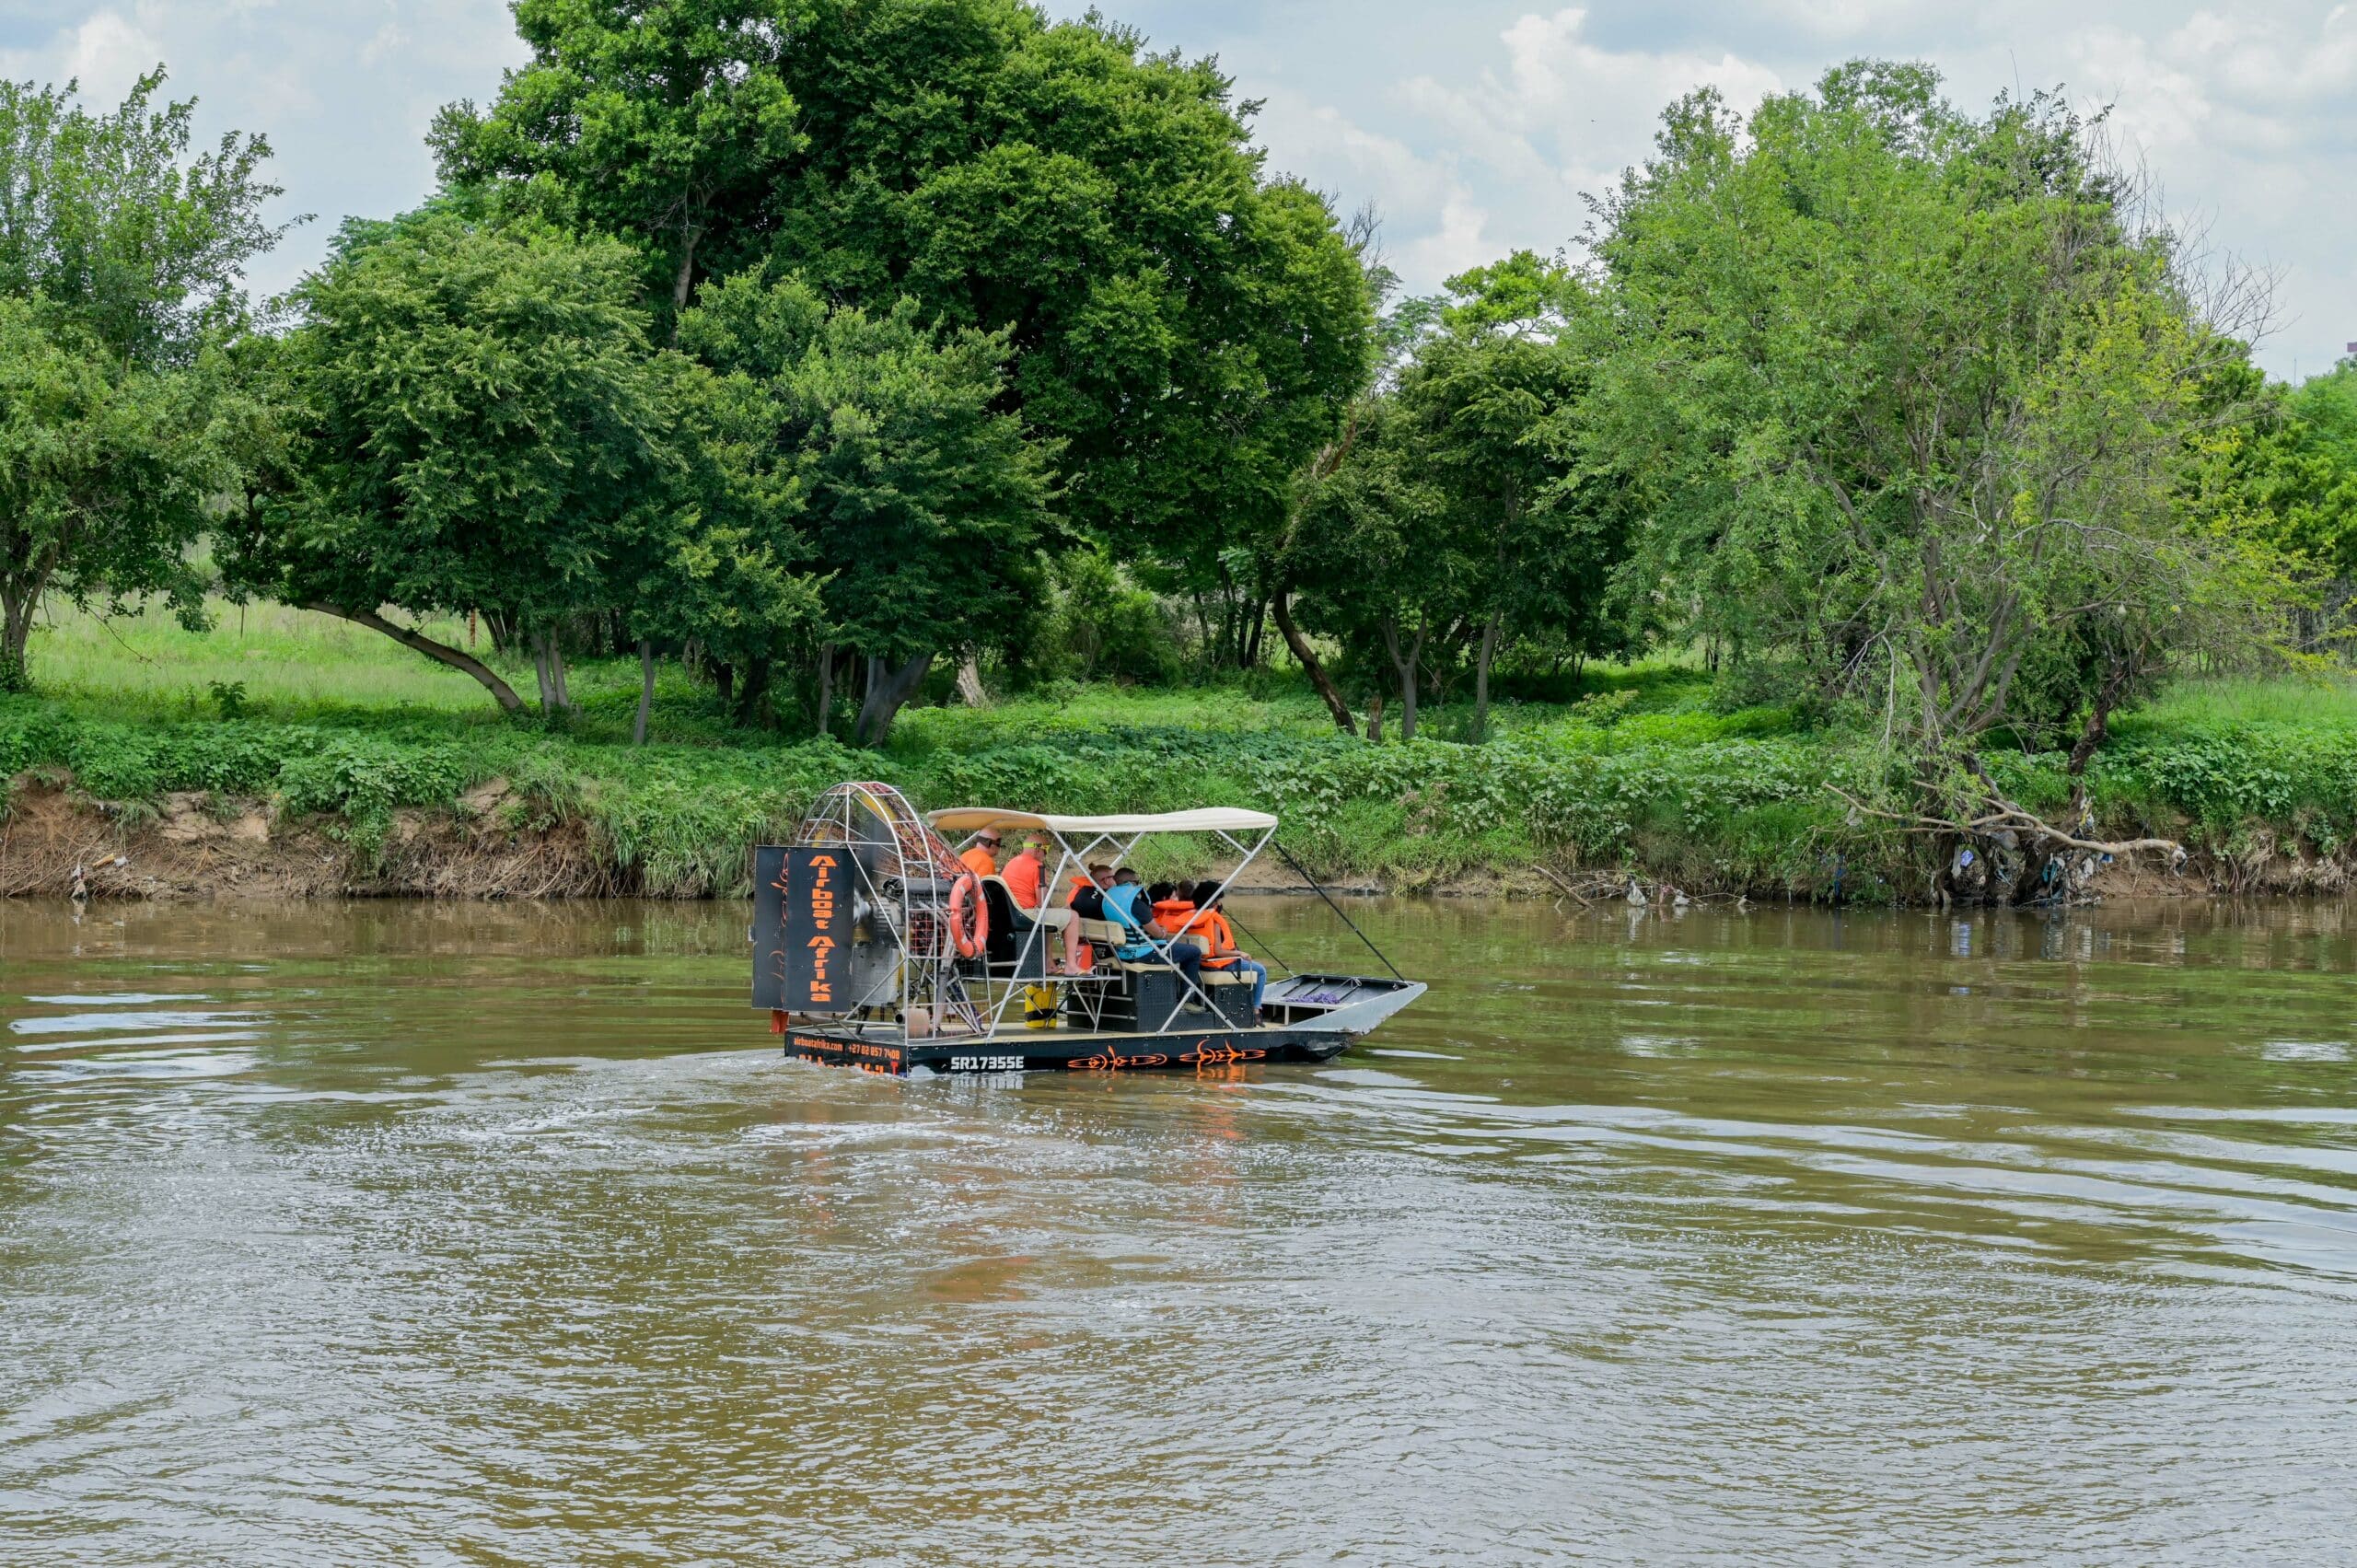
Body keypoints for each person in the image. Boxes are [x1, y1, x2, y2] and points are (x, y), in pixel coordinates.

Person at [1099, 868, 1206, 1004]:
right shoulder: (1136, 905)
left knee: (1178, 950)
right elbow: (1158, 935)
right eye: (1137, 881)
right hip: (1144, 954)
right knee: (1194, 952)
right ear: (1132, 882)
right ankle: (1188, 1000)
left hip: (1121, 953)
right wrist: (1163, 931)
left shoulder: (1109, 899)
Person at [1189, 879, 1269, 1023]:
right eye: (1218, 900)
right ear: (1213, 902)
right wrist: (1239, 953)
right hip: (1220, 965)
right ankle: (1256, 1010)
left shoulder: (1194, 917)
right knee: (1260, 970)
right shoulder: (1214, 921)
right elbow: (1218, 951)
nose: (1220, 904)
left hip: (1202, 964)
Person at [1002, 837, 1085, 974]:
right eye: (1046, 851)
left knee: (1050, 918)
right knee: (1073, 917)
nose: (1045, 856)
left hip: (1012, 915)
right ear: (1038, 849)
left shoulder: (1010, 863)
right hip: (1027, 915)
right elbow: (1043, 902)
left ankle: (1048, 963)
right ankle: (1071, 965)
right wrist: (1062, 910)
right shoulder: (1038, 867)